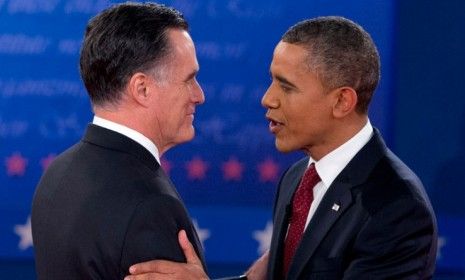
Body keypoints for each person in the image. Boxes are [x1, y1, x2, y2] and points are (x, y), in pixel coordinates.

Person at [125, 16, 438, 280]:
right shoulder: (298, 178)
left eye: (286, 86)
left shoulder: (396, 207)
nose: (268, 99)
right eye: (272, 81)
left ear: (342, 101)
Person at [31, 2, 207, 279]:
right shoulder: (150, 205)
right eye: (189, 79)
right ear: (142, 89)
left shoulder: (59, 171)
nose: (199, 95)